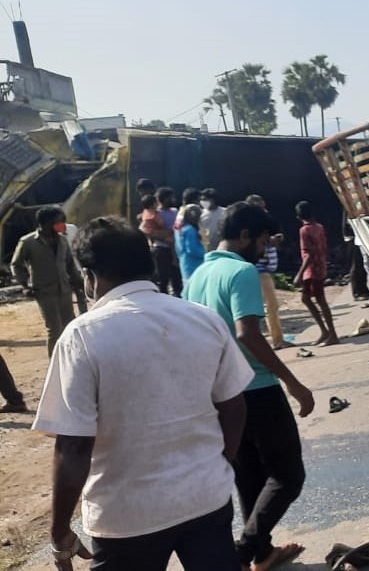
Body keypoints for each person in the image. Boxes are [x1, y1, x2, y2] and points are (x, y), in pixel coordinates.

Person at [32, 216, 251, 570]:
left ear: (90, 277)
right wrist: (220, 461)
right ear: (148, 264)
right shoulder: (202, 319)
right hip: (206, 498)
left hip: (127, 517)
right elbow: (234, 406)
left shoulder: (82, 337)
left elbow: (73, 446)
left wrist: (60, 533)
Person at [185, 202, 314, 568]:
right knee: (288, 476)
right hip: (256, 389)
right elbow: (248, 333)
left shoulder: (195, 278)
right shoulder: (241, 272)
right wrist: (293, 382)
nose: (262, 250)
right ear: (244, 236)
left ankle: (261, 553)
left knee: (250, 475)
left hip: (220, 393)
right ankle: (243, 553)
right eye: (260, 241)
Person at [10, 207, 83, 356]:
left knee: (70, 326)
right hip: (44, 292)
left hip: (64, 290)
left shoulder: (62, 240)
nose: (62, 225)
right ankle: (55, 363)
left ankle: (72, 358)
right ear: (45, 223)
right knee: (54, 329)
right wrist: (25, 284)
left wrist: (78, 282)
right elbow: (16, 265)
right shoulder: (28, 242)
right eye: (58, 222)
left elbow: (69, 264)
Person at [295, 201, 339, 346]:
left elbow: (308, 254)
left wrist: (299, 274)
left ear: (298, 217)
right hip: (320, 267)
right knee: (306, 299)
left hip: (311, 270)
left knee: (320, 300)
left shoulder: (304, 230)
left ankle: (332, 334)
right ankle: (325, 331)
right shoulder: (319, 227)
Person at [246, 195, 287, 349]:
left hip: (262, 270)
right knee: (271, 305)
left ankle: (274, 340)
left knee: (265, 307)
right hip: (259, 271)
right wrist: (271, 241)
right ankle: (277, 341)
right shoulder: (252, 226)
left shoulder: (261, 224)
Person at [139, 194, 182, 296]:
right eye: (169, 197)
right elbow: (145, 230)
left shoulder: (175, 211)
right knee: (163, 277)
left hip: (174, 246)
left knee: (176, 276)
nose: (172, 199)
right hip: (161, 248)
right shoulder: (152, 214)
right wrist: (166, 234)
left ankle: (177, 295)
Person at [176, 206, 206, 282]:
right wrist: (205, 254)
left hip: (185, 264)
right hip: (195, 265)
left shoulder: (179, 229)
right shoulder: (190, 230)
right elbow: (192, 250)